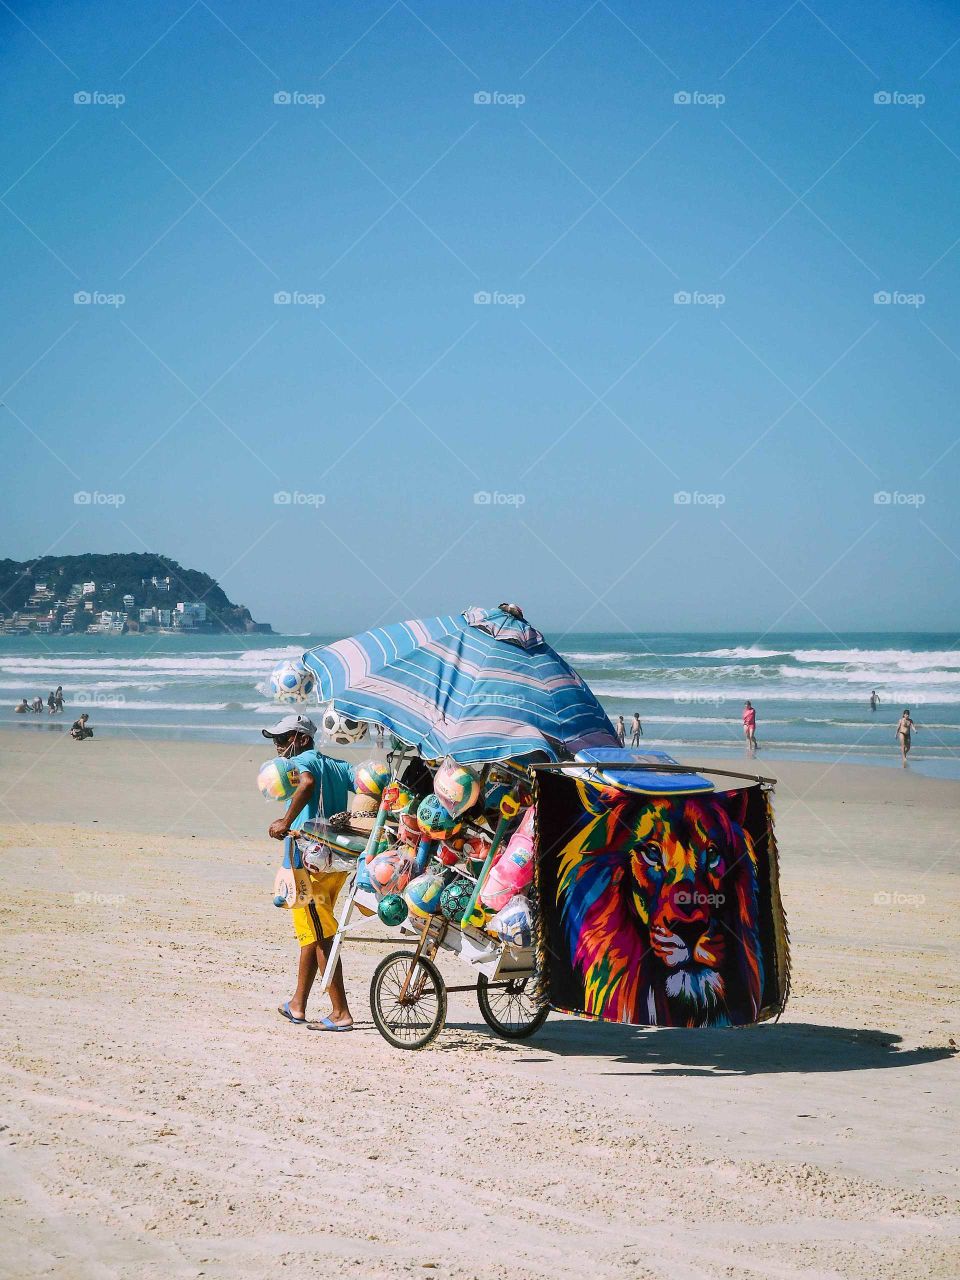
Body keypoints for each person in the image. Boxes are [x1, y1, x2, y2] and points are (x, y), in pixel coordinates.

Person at [263, 712, 356, 1031]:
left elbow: (308, 782)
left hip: (310, 862)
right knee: (312, 929)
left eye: (281, 739)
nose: (278, 747)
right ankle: (298, 1004)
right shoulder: (339, 766)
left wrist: (284, 822)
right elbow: (369, 784)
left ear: (301, 739)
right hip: (338, 862)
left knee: (320, 935)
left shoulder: (303, 763)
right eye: (275, 741)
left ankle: (340, 1012)